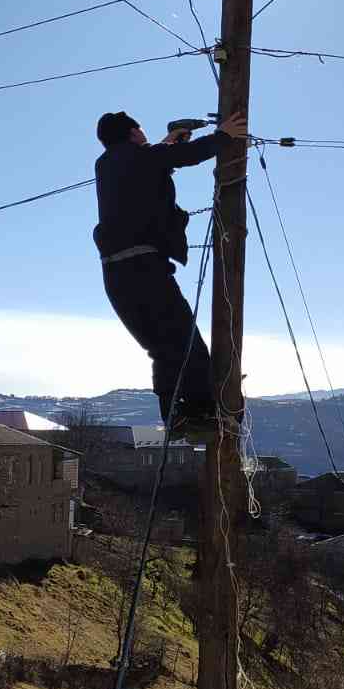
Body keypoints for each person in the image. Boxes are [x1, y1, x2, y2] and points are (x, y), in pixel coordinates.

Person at [93, 108, 248, 440]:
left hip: (116, 275)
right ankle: (203, 416)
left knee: (164, 347)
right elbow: (183, 156)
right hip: (144, 269)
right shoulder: (140, 157)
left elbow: (151, 165)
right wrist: (225, 134)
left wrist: (167, 144)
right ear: (134, 133)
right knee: (184, 341)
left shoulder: (108, 165)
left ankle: (176, 416)